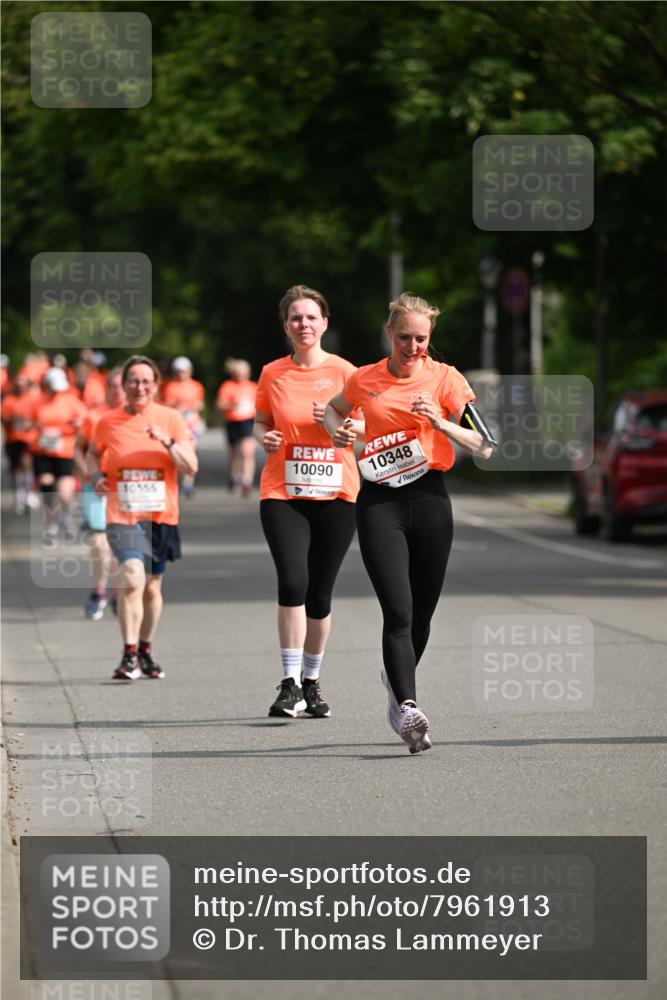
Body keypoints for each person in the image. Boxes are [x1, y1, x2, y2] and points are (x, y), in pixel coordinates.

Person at [324, 293, 493, 753]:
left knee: (421, 615)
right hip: (380, 501)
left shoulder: (447, 379)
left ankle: (396, 683)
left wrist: (440, 422)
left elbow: (485, 444)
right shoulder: (365, 379)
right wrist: (336, 431)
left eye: (421, 339)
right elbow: (334, 409)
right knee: (398, 611)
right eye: (404, 338)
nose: (413, 347)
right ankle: (408, 703)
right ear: (389, 334)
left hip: (431, 498)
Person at [254, 285, 363, 718]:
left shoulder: (346, 373)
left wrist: (342, 424)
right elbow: (260, 422)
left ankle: (312, 682)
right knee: (292, 583)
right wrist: (266, 437)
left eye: (311, 317)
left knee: (319, 594)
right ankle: (289, 683)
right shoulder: (272, 373)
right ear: (286, 326)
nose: (304, 324)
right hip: (284, 491)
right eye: (295, 318)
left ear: (324, 324)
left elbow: (367, 423)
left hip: (337, 493)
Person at [87, 355, 198, 680]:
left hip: (161, 515)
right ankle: (129, 652)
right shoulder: (108, 422)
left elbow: (190, 466)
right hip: (122, 514)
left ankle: (146, 648)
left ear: (156, 385)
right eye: (133, 380)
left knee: (152, 588)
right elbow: (93, 453)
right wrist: (95, 477)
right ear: (123, 385)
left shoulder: (171, 418)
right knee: (132, 576)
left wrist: (166, 441)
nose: (140, 386)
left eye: (146, 381)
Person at [73, 368, 126, 620]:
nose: (118, 390)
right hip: (97, 485)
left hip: (126, 488)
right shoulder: (93, 417)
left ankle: (118, 596)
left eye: (121, 385)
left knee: (119, 545)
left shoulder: (136, 417)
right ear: (106, 389)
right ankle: (98, 592)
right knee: (98, 541)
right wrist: (90, 475)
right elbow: (78, 450)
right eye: (113, 386)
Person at [32, 367, 87, 542]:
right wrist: (39, 429)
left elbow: (84, 419)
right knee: (46, 487)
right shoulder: (37, 401)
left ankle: (65, 517)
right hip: (43, 451)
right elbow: (29, 422)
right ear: (46, 385)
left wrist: (73, 424)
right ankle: (51, 525)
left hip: (65, 451)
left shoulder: (70, 400)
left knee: (64, 493)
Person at [161, 356, 205, 497]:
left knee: (190, 452)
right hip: (176, 425)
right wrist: (177, 405)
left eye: (184, 371)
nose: (182, 374)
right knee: (177, 453)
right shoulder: (170, 387)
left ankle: (188, 485)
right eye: (179, 371)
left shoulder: (196, 386)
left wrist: (193, 406)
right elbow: (167, 405)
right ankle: (179, 481)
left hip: (192, 424)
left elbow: (201, 404)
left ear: (189, 371)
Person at [216, 358, 257, 495]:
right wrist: (232, 405)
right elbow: (219, 405)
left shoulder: (253, 387)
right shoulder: (228, 386)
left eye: (244, 372)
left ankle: (247, 481)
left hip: (248, 421)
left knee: (247, 451)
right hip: (232, 422)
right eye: (238, 372)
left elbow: (261, 406)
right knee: (234, 453)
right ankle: (234, 476)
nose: (241, 375)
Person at [1, 373, 40, 514]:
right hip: (12, 439)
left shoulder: (32, 400)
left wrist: (29, 425)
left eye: (23, 385)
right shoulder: (9, 400)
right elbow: (4, 418)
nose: (20, 388)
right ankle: (19, 495)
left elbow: (38, 419)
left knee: (27, 464)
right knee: (16, 469)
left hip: (28, 439)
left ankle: (29, 493)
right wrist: (13, 421)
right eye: (18, 385)